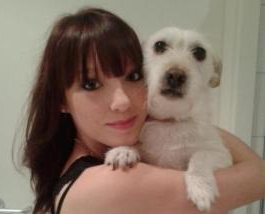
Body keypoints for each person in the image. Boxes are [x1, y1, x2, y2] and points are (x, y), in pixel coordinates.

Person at [22, 7, 265, 214]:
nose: (123, 102)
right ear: (59, 100)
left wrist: (184, 119)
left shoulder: (86, 159)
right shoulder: (110, 182)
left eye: (133, 76)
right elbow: (258, 176)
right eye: (91, 84)